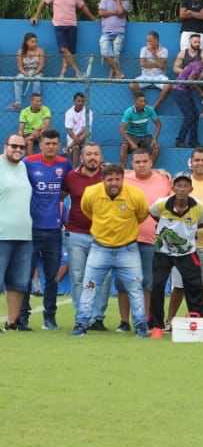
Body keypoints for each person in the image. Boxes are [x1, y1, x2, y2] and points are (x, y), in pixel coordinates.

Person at [71, 163, 150, 337]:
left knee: (135, 288)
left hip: (128, 249)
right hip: (100, 248)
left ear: (123, 179)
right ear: (103, 180)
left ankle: (141, 327)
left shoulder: (135, 195)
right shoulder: (91, 193)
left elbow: (142, 215)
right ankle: (81, 324)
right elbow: (87, 211)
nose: (114, 183)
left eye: (117, 179)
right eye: (110, 179)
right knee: (89, 287)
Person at [16, 129, 70, 331]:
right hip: (30, 229)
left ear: (59, 145)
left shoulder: (64, 164)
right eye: (47, 143)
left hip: (54, 230)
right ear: (40, 144)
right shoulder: (28, 163)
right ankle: (22, 318)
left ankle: (50, 318)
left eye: (55, 143)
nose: (51, 146)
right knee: (25, 276)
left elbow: (66, 188)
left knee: (52, 276)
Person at [148, 172, 203, 330]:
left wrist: (187, 231)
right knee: (157, 285)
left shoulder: (199, 207)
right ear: (173, 187)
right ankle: (156, 324)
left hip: (187, 252)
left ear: (191, 188)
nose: (182, 189)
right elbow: (154, 215)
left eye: (185, 186)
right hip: (163, 251)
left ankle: (198, 323)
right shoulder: (161, 204)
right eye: (179, 185)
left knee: (194, 286)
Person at [166, 148, 203, 326]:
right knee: (179, 286)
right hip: (181, 246)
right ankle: (169, 320)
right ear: (191, 162)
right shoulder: (181, 184)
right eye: (196, 160)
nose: (200, 163)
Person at [121, 151, 172, 333]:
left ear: (151, 162)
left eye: (145, 161)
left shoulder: (164, 179)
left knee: (148, 282)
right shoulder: (124, 179)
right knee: (125, 282)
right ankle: (124, 321)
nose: (141, 164)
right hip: (127, 239)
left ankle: (145, 319)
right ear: (131, 164)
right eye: (137, 162)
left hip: (153, 240)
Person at [62, 143, 103, 330]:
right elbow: (59, 197)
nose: (92, 157)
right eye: (89, 154)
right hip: (76, 234)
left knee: (101, 278)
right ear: (82, 157)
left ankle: (97, 318)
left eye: (96, 154)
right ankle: (82, 316)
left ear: (100, 157)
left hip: (103, 236)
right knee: (78, 276)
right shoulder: (71, 177)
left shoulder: (109, 176)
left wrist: (162, 172)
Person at [30, 0, 94, 77]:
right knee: (64, 49)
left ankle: (62, 74)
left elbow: (82, 7)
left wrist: (93, 19)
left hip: (72, 25)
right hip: (59, 26)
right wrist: (36, 16)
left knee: (69, 52)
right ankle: (78, 72)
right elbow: (43, 2)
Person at [129, 30, 173, 110]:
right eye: (147, 40)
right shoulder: (143, 49)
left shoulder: (164, 50)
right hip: (145, 76)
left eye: (150, 41)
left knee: (169, 85)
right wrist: (157, 64)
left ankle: (155, 106)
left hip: (159, 76)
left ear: (156, 40)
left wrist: (153, 54)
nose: (148, 42)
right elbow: (142, 64)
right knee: (132, 84)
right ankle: (145, 105)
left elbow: (162, 66)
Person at [96, 0, 131, 79]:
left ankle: (112, 76)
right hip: (106, 32)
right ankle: (119, 73)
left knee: (116, 56)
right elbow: (101, 13)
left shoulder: (126, 3)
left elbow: (120, 12)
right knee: (105, 53)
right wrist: (114, 12)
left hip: (119, 33)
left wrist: (118, 0)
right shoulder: (105, 0)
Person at [172, 45, 203, 148]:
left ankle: (193, 141)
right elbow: (190, 80)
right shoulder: (198, 66)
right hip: (180, 91)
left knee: (195, 115)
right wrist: (201, 92)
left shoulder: (198, 64)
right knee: (189, 116)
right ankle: (180, 140)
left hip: (186, 91)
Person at [118, 92, 161, 166]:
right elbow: (121, 129)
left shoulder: (149, 109)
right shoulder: (129, 112)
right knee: (124, 146)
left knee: (156, 148)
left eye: (144, 101)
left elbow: (158, 124)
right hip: (131, 135)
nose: (143, 103)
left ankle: (148, 167)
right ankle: (123, 169)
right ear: (135, 102)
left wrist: (155, 139)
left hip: (145, 135)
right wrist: (131, 143)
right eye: (141, 101)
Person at [11, 32, 45, 112]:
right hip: (24, 72)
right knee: (17, 80)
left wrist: (34, 73)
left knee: (37, 81)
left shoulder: (40, 51)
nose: (35, 43)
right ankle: (18, 103)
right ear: (26, 42)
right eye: (32, 41)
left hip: (37, 72)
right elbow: (19, 66)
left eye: (36, 41)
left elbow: (41, 65)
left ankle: (35, 103)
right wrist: (25, 73)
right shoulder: (20, 52)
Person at [63, 92, 92, 167]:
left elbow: (85, 128)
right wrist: (76, 140)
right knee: (76, 148)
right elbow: (69, 130)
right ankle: (75, 169)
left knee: (87, 132)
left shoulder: (88, 112)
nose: (80, 103)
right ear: (74, 101)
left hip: (84, 137)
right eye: (78, 101)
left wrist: (76, 140)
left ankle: (68, 148)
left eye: (82, 101)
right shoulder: (69, 112)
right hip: (73, 137)